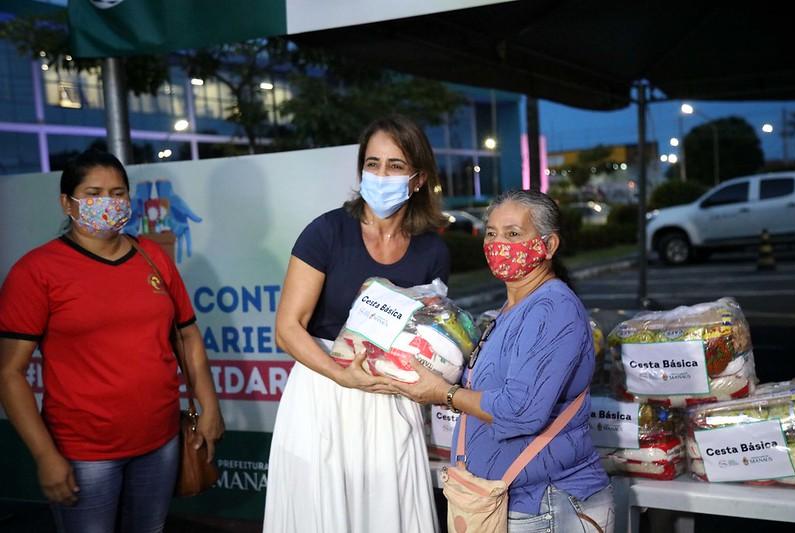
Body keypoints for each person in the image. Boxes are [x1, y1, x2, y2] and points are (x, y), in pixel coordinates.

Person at [0, 150, 224, 533]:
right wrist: (45, 455)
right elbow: (9, 374)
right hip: (84, 454)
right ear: (66, 202)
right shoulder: (37, 271)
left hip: (160, 442)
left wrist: (210, 405)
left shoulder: (153, 256)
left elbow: (187, 336)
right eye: (93, 193)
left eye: (118, 193)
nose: (108, 202)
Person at [263, 115, 451, 533]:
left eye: (396, 166)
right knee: (322, 515)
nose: (381, 175)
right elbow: (288, 327)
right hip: (322, 391)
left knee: (388, 512)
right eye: (373, 163)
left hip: (390, 397)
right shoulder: (326, 232)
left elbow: (429, 335)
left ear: (418, 179)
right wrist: (341, 375)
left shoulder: (432, 250)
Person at [394, 189, 614, 533]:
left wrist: (444, 394)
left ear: (548, 245)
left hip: (547, 504)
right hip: (510, 500)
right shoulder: (510, 309)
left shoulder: (552, 308)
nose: (498, 244)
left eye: (513, 234)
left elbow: (520, 409)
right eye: (492, 233)